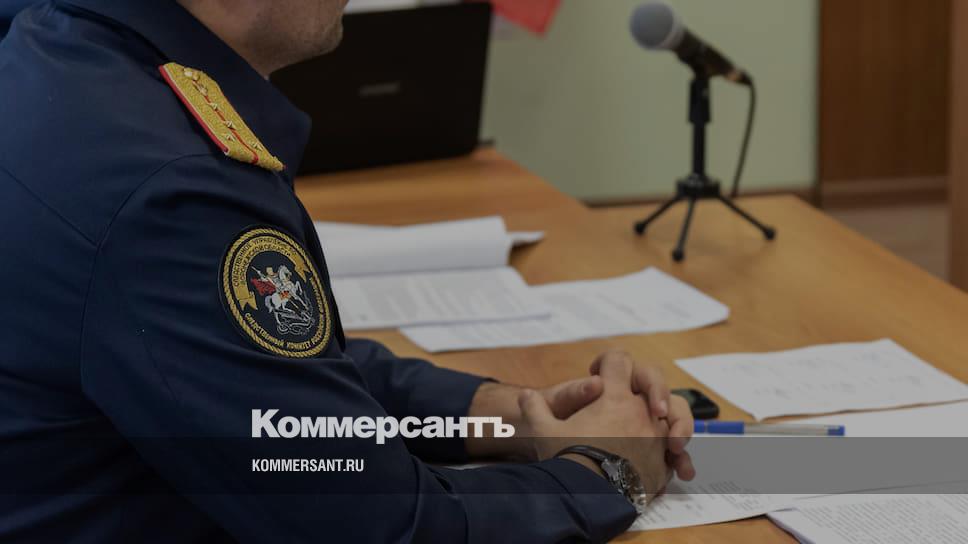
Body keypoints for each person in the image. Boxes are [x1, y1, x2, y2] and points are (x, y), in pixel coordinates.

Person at [0, 0, 694, 542]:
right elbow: (382, 526)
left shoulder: (62, 52)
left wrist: (501, 415)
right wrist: (607, 472)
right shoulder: (170, 187)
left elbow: (256, 373)